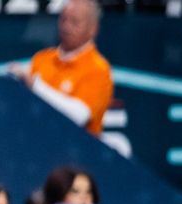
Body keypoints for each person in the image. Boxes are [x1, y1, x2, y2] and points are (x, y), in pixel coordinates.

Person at [7, 0, 113, 138]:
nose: (66, 26)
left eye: (75, 22)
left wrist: (35, 85)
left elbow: (79, 116)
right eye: (63, 19)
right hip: (38, 147)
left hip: (78, 153)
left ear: (93, 29)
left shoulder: (99, 69)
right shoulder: (42, 58)